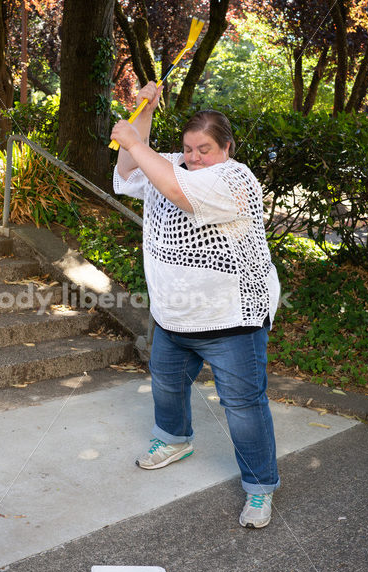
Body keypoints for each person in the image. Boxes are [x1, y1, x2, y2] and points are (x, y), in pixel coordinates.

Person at [111, 82, 281, 529]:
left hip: (231, 318)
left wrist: (132, 139)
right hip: (175, 312)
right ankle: (174, 440)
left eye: (204, 148)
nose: (194, 157)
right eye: (187, 148)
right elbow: (131, 168)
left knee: (242, 406)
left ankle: (260, 488)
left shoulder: (234, 178)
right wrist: (143, 110)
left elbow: (178, 191)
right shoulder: (172, 166)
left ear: (227, 148)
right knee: (166, 382)